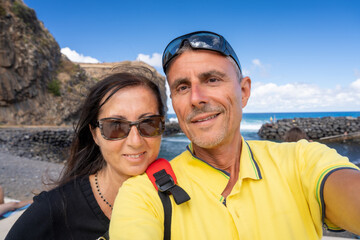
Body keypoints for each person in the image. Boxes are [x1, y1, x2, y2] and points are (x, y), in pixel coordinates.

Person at [110, 31, 360, 239]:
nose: (196, 98)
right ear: (174, 102)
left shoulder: (301, 159)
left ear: (244, 91)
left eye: (212, 80)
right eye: (183, 87)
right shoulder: (143, 194)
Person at [5, 69, 166, 239]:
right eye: (115, 126)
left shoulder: (178, 197)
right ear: (95, 134)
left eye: (149, 123)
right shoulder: (55, 209)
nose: (135, 141)